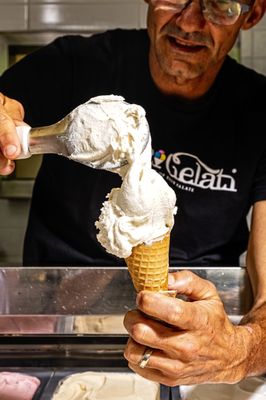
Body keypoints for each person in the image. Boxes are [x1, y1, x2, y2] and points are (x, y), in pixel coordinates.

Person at [0, 0, 266, 386]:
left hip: (203, 347)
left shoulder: (260, 113)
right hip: (54, 329)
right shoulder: (74, 64)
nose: (190, 22)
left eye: (220, 5)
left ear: (252, 14)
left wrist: (243, 350)